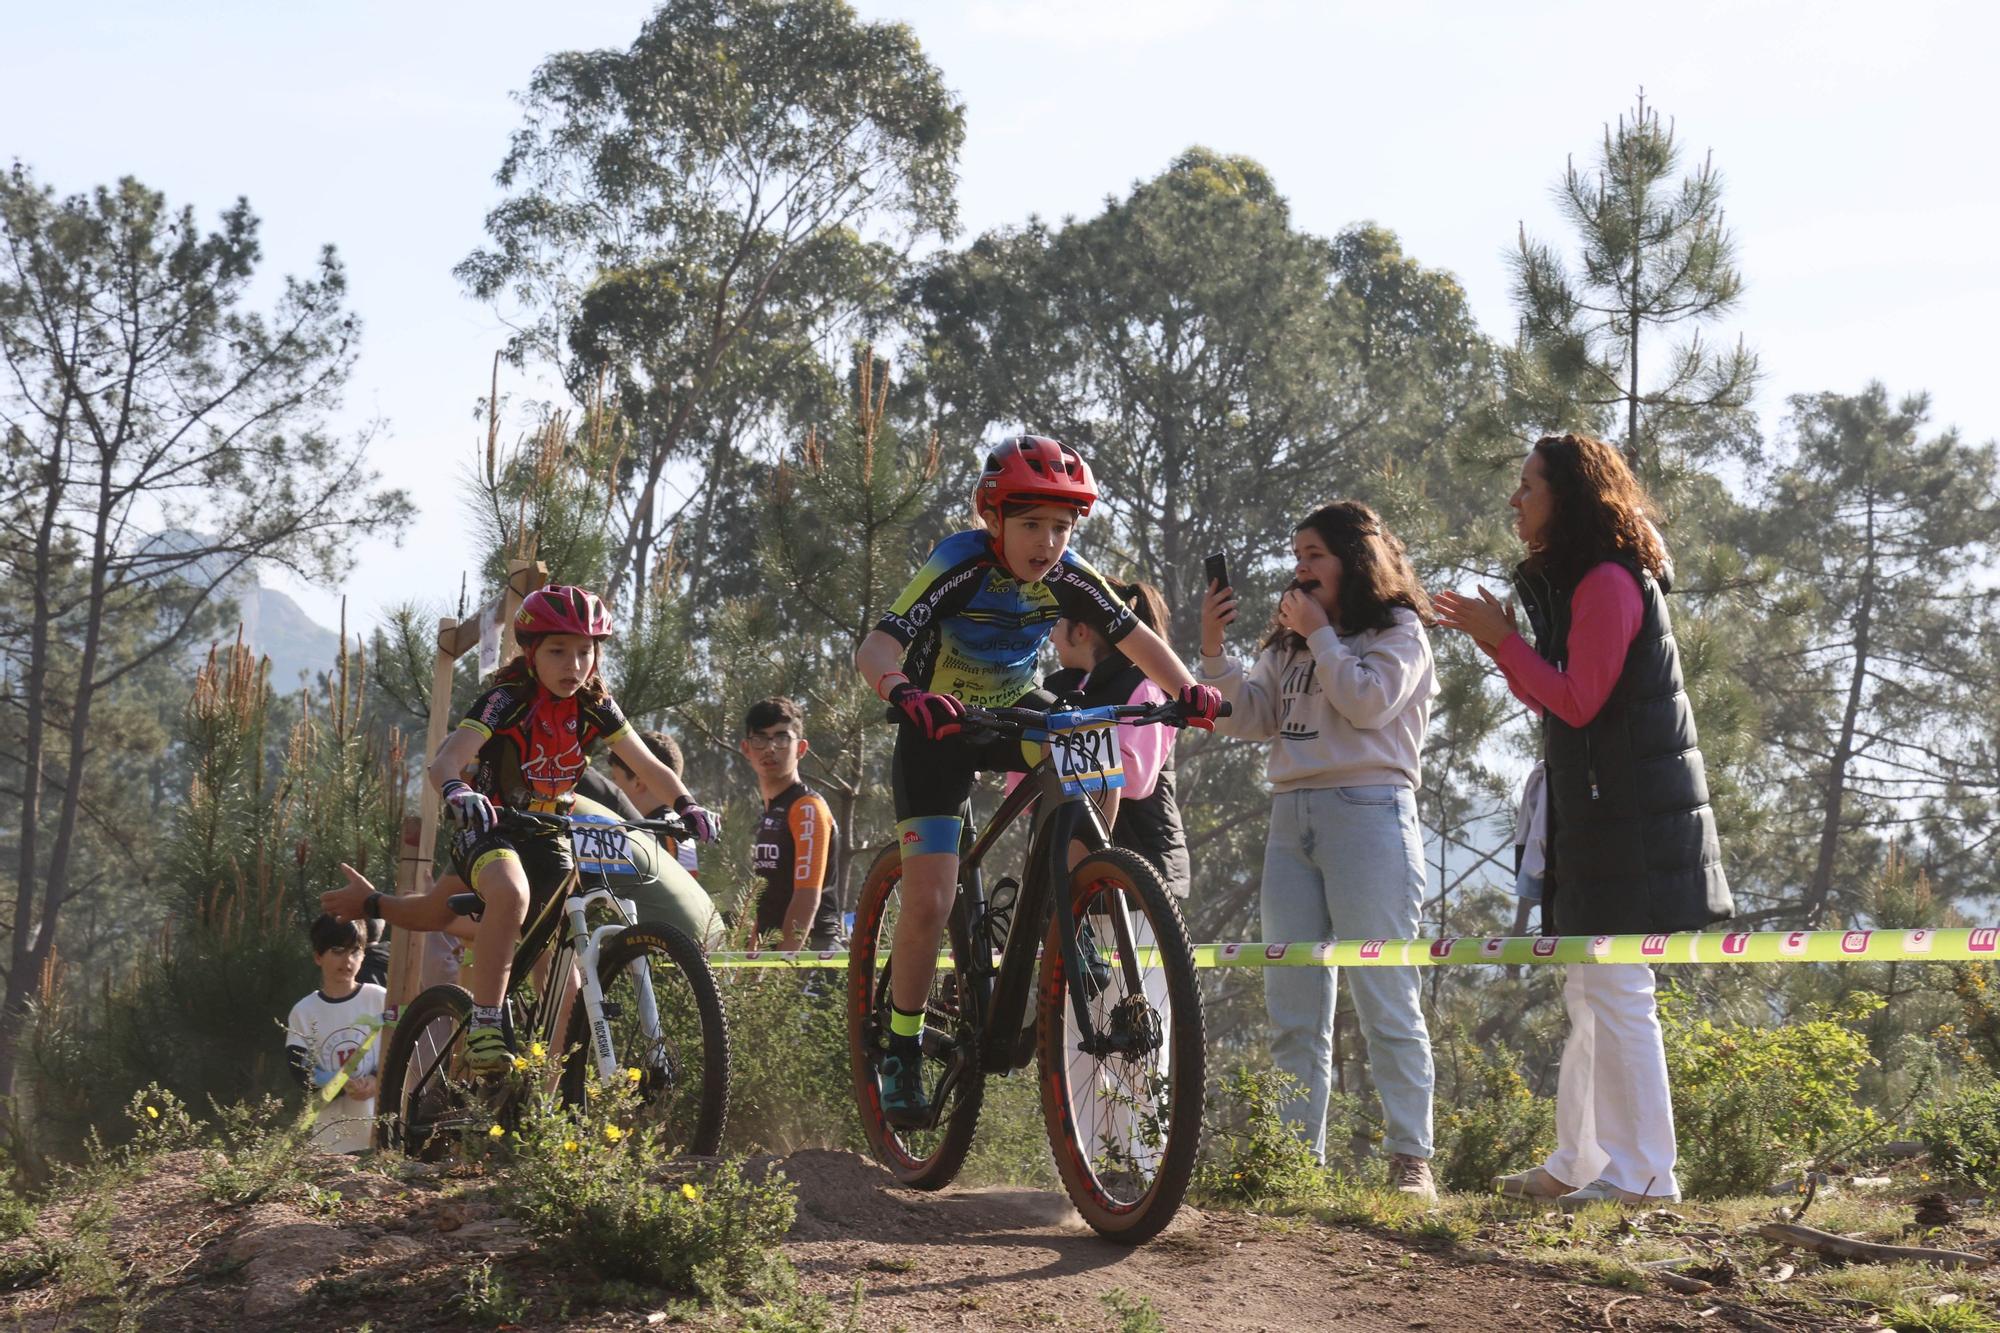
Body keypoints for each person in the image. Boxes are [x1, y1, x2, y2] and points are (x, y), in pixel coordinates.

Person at [852, 435, 1221, 1127]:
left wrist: (1189, 689)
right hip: (939, 725)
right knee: (930, 899)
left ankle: (1075, 901)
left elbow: (1138, 637)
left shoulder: (1070, 573)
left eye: (1062, 527)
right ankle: (900, 1045)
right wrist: (902, 690)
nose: (1048, 541)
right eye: (1031, 524)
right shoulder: (957, 564)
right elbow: (875, 646)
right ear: (993, 517)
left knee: (1092, 743)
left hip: (1016, 710)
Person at [1434, 433, 1733, 1209]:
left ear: (1567, 497)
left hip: (1624, 824)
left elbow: (1576, 699)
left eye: (1528, 485)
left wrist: (1501, 641)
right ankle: (1585, 1158)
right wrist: (1509, 645)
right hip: (1598, 819)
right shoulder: (1585, 581)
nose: (1515, 500)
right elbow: (1560, 699)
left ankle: (1643, 1175)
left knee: (1617, 989)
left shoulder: (1606, 581)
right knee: (1589, 990)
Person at [321, 585, 721, 1072]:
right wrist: (456, 789)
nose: (573, 664)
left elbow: (648, 764)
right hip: (489, 825)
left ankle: (546, 1110)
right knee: (510, 894)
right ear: (531, 653)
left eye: (585, 651)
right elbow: (446, 760)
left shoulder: (597, 705)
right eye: (558, 651)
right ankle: (487, 1022)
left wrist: (688, 803)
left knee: (561, 990)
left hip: (547, 832)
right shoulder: (504, 699)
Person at [1198, 500, 1440, 1199]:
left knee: (1385, 995)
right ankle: (1295, 1161)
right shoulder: (1291, 638)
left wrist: (1325, 637)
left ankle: (1410, 1159)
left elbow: (1368, 703)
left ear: (1353, 560)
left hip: (1369, 810)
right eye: (1297, 554)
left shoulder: (1399, 630)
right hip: (1289, 813)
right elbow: (1250, 716)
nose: (1300, 568)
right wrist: (1216, 651)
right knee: (1293, 1001)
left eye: (1315, 555)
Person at [1040, 579, 1188, 898]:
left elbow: (1136, 779)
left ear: (1081, 631)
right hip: (1069, 881)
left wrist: (1056, 748)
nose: (1050, 636)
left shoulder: (1144, 688)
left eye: (1056, 624)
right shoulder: (1055, 693)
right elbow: (1025, 788)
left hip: (1140, 877)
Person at [740, 696, 842, 951]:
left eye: (782, 737)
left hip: (813, 955)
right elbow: (765, 905)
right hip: (773, 961)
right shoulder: (770, 813)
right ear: (746, 748)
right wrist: (748, 973)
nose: (770, 748)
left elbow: (807, 898)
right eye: (760, 738)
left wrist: (777, 970)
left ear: (801, 748)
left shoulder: (807, 807)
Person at [286, 914, 387, 1154]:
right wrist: (340, 1082)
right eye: (337, 951)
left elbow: (401, 1050)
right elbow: (299, 1068)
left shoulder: (380, 998)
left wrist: (376, 1079)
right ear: (318, 956)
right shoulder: (304, 1011)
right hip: (330, 1142)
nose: (347, 960)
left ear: (364, 955)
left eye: (355, 951)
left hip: (381, 1134)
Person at [588, 729, 703, 878]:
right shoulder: (675, 827)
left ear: (638, 782)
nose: (612, 784)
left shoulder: (655, 832)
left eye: (614, 778)